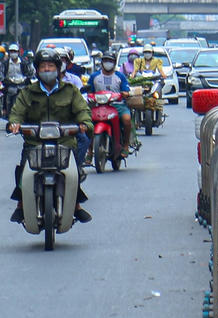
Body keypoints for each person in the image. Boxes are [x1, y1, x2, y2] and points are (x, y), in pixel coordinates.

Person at [8, 49, 93, 224]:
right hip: (34, 142)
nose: (47, 69)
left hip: (64, 141)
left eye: (51, 66)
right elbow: (17, 112)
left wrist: (84, 123)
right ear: (37, 70)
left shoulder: (70, 91)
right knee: (23, 169)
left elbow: (82, 111)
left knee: (73, 172)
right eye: (43, 66)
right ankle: (21, 204)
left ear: (58, 68)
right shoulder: (28, 92)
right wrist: (14, 124)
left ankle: (76, 205)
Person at [85, 51, 134, 159]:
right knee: (87, 124)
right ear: (102, 62)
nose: (108, 63)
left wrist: (125, 93)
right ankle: (89, 151)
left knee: (126, 119)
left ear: (114, 63)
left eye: (110, 61)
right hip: (98, 106)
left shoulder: (120, 76)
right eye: (106, 60)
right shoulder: (94, 76)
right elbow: (89, 91)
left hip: (117, 105)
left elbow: (126, 90)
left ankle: (125, 146)